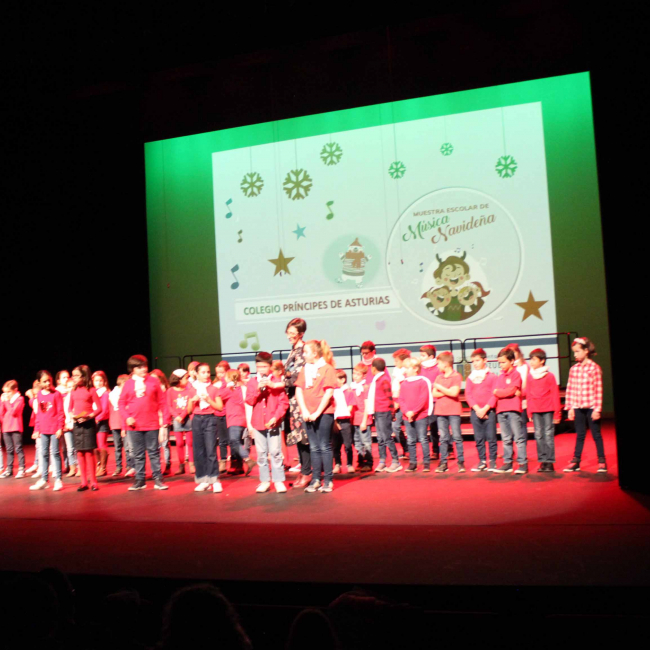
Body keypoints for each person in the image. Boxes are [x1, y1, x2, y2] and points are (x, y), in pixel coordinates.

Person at [118, 355, 168, 491]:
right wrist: (127, 418)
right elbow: (121, 403)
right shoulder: (128, 384)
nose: (143, 369)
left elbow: (162, 402)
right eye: (139, 367)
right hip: (134, 425)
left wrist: (164, 420)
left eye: (144, 366)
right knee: (138, 454)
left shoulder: (153, 381)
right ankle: (140, 480)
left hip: (151, 423)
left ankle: (158, 479)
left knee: (154, 452)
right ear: (133, 369)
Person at [295, 339, 338, 492]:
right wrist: (305, 411)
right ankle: (316, 480)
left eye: (306, 352)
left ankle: (328, 480)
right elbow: (298, 390)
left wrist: (317, 412)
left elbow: (329, 392)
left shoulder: (327, 369)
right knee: (313, 447)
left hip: (324, 413)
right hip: (308, 413)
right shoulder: (305, 369)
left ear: (314, 353)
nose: (303, 355)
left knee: (324, 445)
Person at [245, 351, 290, 493]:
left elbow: (283, 403)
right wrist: (258, 390)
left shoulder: (276, 381)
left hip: (273, 422)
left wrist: (276, 417)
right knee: (261, 453)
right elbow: (249, 400)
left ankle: (278, 480)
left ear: (270, 366)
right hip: (258, 422)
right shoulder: (252, 382)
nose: (261, 370)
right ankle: (264, 481)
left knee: (275, 452)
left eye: (264, 367)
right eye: (259, 367)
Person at [564, 337, 607, 473]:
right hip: (578, 406)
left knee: (596, 434)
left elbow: (598, 389)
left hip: (591, 407)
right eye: (574, 352)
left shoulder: (594, 368)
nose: (575, 355)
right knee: (580, 434)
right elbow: (570, 389)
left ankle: (602, 460)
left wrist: (597, 409)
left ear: (586, 351)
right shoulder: (574, 369)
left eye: (577, 351)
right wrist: (570, 407)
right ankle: (576, 461)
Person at [187, 362, 223, 493]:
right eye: (203, 372)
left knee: (210, 450)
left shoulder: (213, 389)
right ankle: (203, 480)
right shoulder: (192, 389)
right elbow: (189, 410)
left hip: (210, 419)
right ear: (196, 374)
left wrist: (209, 400)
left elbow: (220, 407)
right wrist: (193, 400)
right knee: (199, 451)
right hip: (197, 420)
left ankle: (215, 480)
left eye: (208, 372)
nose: (206, 375)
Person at [284, 318, 311, 488]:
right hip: (292, 399)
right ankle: (304, 471)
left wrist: (281, 381)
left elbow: (298, 376)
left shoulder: (302, 351)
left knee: (303, 437)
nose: (289, 336)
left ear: (301, 334)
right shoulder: (294, 350)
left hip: (300, 400)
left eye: (293, 333)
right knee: (298, 437)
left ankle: (307, 473)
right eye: (288, 332)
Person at [214, 369, 256, 476]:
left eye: (226, 377)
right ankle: (241, 464)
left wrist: (224, 384)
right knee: (236, 442)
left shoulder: (230, 390)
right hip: (240, 419)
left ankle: (247, 459)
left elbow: (219, 395)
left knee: (234, 441)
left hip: (234, 419)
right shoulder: (239, 388)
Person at [492, 347, 527, 474]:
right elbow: (495, 391)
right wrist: (503, 392)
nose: (501, 365)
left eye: (503, 362)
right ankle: (508, 463)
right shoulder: (500, 376)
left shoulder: (516, 374)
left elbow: (512, 390)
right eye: (499, 363)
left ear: (512, 361)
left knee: (518, 437)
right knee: (506, 438)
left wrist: (501, 392)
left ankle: (522, 463)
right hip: (501, 410)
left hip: (513, 409)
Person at [527, 348, 561, 472]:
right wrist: (529, 411)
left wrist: (557, 413)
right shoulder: (530, 377)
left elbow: (554, 394)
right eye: (530, 359)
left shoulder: (550, 376)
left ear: (542, 361)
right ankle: (542, 460)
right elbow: (529, 394)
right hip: (536, 410)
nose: (531, 362)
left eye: (534, 359)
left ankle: (550, 462)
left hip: (548, 409)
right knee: (538, 435)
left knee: (548, 434)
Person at [30, 370, 65, 491]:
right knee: (44, 454)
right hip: (43, 430)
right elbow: (39, 414)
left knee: (55, 453)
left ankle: (58, 479)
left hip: (54, 429)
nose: (48, 383)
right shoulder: (39, 394)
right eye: (44, 381)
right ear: (39, 382)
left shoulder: (56, 394)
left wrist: (60, 427)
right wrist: (37, 429)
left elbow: (60, 412)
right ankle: (44, 480)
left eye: (49, 380)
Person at [464, 348, 498, 472]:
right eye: (473, 361)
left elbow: (494, 394)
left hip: (489, 411)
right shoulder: (470, 378)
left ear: (485, 360)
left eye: (477, 360)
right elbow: (468, 395)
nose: (475, 363)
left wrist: (485, 409)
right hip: (476, 411)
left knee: (491, 437)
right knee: (479, 438)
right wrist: (477, 409)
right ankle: (482, 461)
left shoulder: (492, 377)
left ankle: (492, 461)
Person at [367, 357, 401, 473]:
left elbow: (389, 397)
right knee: (380, 438)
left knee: (386, 437)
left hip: (384, 411)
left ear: (373, 368)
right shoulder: (376, 380)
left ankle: (395, 461)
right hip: (378, 411)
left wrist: (392, 413)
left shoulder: (384, 380)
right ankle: (382, 460)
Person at [433, 352, 465, 472]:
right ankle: (443, 463)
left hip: (453, 411)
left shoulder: (456, 376)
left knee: (457, 437)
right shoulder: (439, 377)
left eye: (439, 363)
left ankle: (461, 462)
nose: (437, 366)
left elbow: (454, 393)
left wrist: (440, 388)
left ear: (445, 364)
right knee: (443, 438)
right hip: (441, 411)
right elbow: (434, 393)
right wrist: (447, 391)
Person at [400, 357, 433, 472]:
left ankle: (426, 463)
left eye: (407, 368)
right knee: (410, 440)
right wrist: (407, 412)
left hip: (420, 416)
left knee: (423, 438)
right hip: (407, 416)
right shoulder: (404, 384)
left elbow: (423, 399)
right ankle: (412, 463)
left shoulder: (422, 382)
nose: (405, 370)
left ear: (415, 369)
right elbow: (401, 399)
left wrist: (413, 412)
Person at [167, 369, 194, 475]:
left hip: (187, 418)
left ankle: (192, 464)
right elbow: (169, 406)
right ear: (178, 379)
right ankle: (181, 465)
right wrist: (177, 416)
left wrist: (182, 415)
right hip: (177, 419)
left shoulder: (188, 390)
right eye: (186, 378)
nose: (187, 380)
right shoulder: (170, 391)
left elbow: (189, 405)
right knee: (179, 443)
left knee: (190, 442)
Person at [419, 344, 441, 460]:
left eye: (423, 356)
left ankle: (449, 449)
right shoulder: (420, 368)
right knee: (432, 427)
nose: (421, 358)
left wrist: (431, 385)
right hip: (426, 402)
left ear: (431, 356)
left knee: (442, 426)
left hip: (437, 400)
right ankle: (435, 450)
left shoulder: (438, 368)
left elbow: (439, 382)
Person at [109, 374, 133, 477]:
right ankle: (118, 467)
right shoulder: (112, 395)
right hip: (115, 423)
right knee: (117, 447)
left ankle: (129, 466)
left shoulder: (128, 394)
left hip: (125, 424)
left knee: (127, 447)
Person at [1, 380, 26, 478]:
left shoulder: (19, 399)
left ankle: (21, 469)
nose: (7, 394)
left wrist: (6, 401)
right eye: (5, 392)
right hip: (6, 427)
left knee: (18, 448)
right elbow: (1, 413)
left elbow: (14, 412)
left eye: (9, 392)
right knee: (9, 450)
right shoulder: (5, 400)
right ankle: (9, 469)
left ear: (15, 390)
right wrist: (2, 402)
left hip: (16, 427)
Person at [332, 370, 355, 474]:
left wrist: (341, 411)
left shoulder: (348, 391)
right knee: (335, 445)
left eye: (336, 379)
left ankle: (349, 464)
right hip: (335, 420)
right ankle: (338, 464)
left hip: (345, 420)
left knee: (348, 444)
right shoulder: (334, 392)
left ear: (343, 380)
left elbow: (350, 407)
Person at [351, 363, 373, 472]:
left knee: (366, 442)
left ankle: (368, 462)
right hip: (354, 419)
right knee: (357, 442)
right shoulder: (352, 387)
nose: (355, 376)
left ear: (364, 375)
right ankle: (360, 461)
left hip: (363, 419)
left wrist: (364, 421)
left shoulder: (365, 388)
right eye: (354, 373)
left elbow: (367, 405)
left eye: (358, 374)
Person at [151, 368, 172, 475]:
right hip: (154, 420)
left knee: (165, 443)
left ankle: (167, 465)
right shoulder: (150, 390)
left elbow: (167, 407)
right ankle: (157, 467)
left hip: (163, 419)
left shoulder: (165, 390)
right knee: (156, 445)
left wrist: (165, 421)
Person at [55, 370, 76, 477]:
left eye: (68, 377)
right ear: (58, 380)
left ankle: (75, 466)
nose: (66, 379)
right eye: (63, 377)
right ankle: (67, 465)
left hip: (71, 421)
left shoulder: (71, 392)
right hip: (63, 421)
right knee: (64, 447)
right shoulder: (57, 392)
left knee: (72, 447)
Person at [391, 348, 411, 459]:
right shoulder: (396, 372)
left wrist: (398, 402)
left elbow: (404, 389)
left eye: (397, 361)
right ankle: (406, 448)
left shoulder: (406, 373)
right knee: (395, 426)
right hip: (396, 401)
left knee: (408, 427)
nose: (395, 363)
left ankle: (410, 451)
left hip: (404, 402)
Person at [91, 370, 111, 477]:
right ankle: (98, 465)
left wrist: (97, 418)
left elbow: (104, 410)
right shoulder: (92, 392)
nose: (98, 383)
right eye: (96, 381)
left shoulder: (105, 393)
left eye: (100, 381)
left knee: (101, 444)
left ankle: (103, 467)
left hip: (101, 422)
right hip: (93, 421)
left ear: (104, 381)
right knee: (94, 445)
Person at [213, 360, 231, 474]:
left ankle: (235, 461)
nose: (220, 375)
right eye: (218, 373)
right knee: (222, 440)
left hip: (229, 414)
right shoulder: (215, 385)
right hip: (218, 415)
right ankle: (223, 461)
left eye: (222, 372)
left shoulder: (229, 384)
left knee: (232, 439)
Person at [25, 379, 42, 476]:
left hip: (42, 426)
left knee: (44, 447)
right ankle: (37, 464)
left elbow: (36, 409)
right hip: (38, 425)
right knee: (38, 446)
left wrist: (31, 397)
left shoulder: (38, 400)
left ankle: (43, 466)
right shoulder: (36, 400)